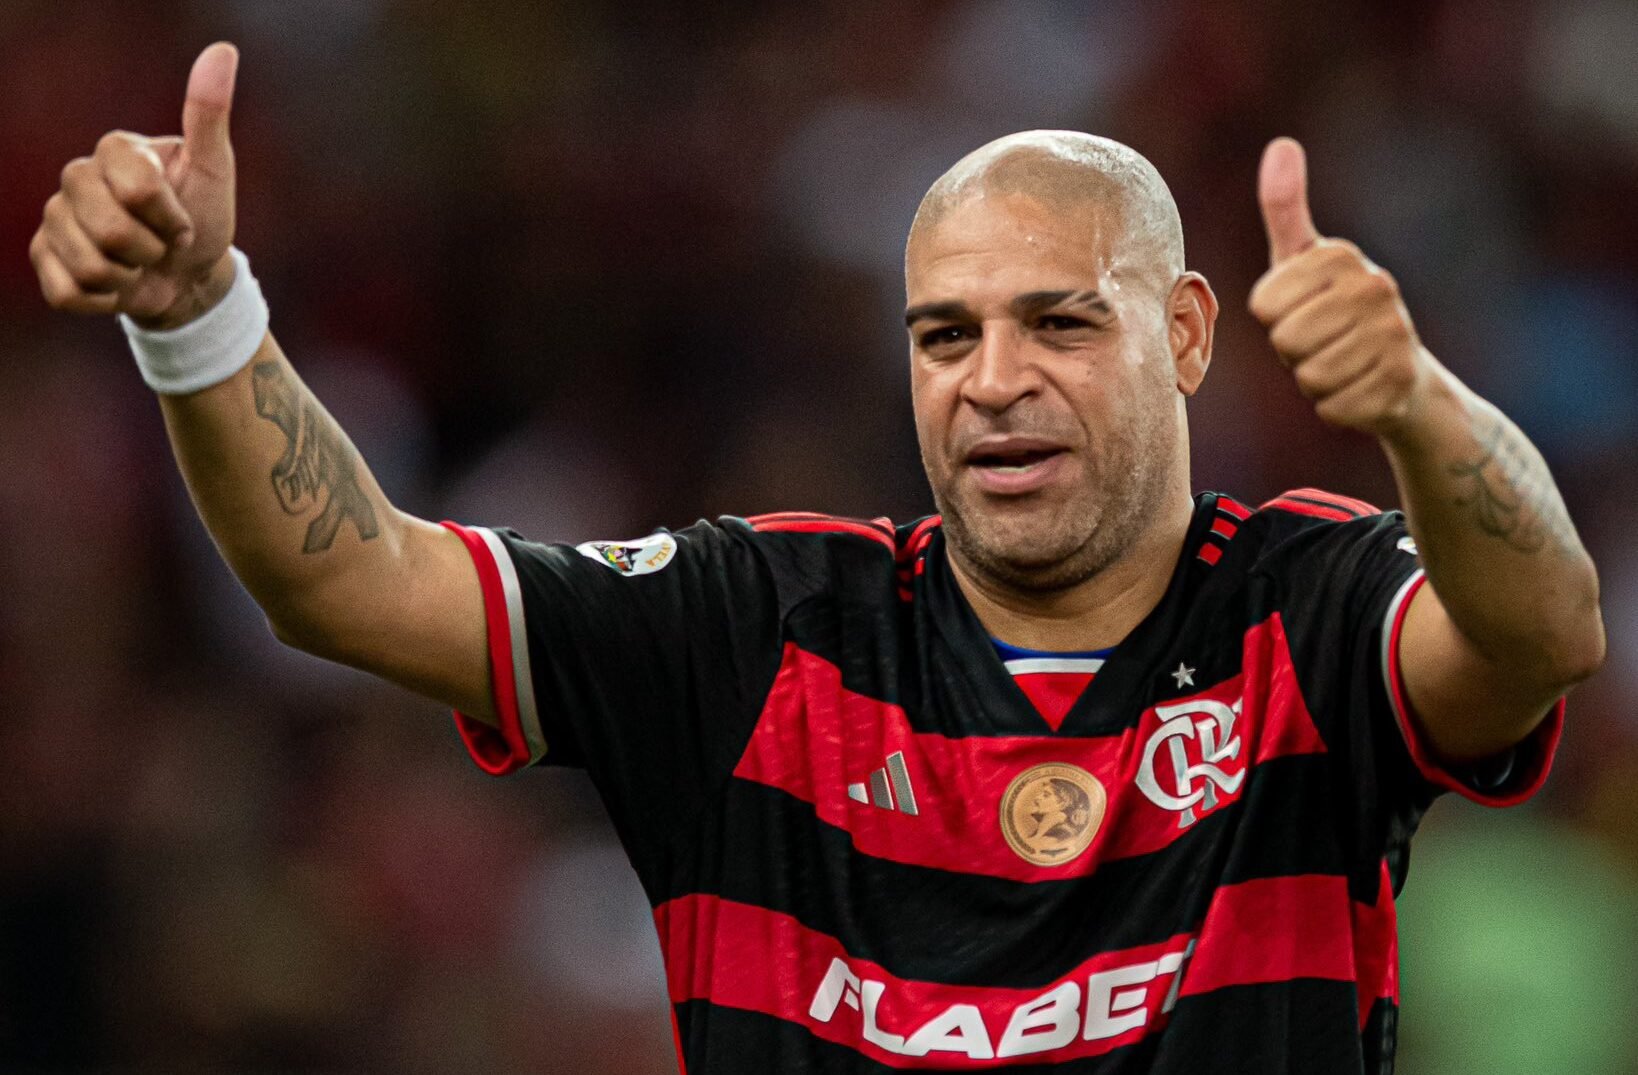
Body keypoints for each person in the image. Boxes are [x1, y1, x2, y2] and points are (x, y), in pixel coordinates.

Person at [30, 42, 1603, 1073]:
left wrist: (1414, 404)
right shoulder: (755, 627)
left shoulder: (1305, 609)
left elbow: (1541, 632)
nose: (993, 380)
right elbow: (347, 579)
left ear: (1184, 335)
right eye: (944, 335)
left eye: (1059, 322)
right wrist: (196, 315)